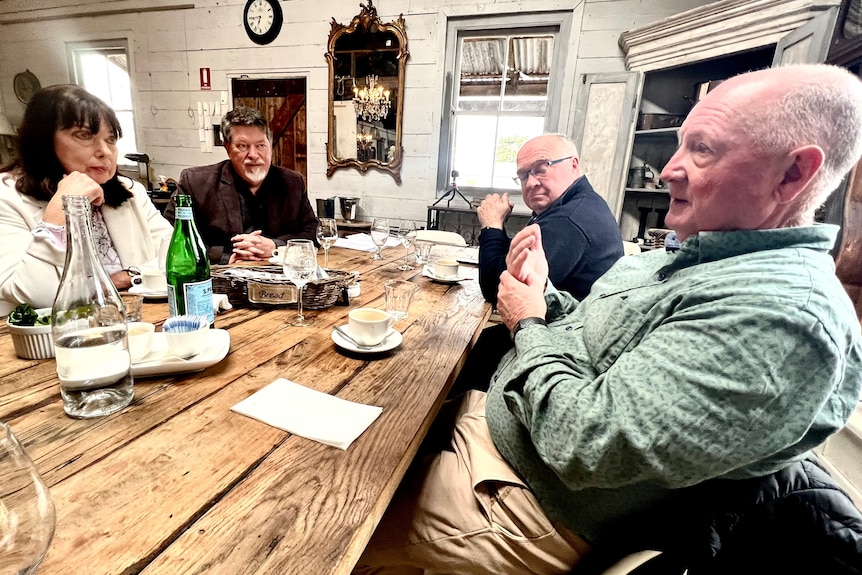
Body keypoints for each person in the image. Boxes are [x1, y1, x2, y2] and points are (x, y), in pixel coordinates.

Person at [353, 63, 862, 574]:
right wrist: (546, 297)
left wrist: (528, 324)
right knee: (369, 415)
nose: (667, 169)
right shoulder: (707, 256)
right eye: (681, 144)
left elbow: (580, 443)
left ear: (794, 173)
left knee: (329, 511)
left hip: (522, 504)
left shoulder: (779, 317)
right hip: (500, 429)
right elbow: (598, 336)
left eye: (703, 148)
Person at [0, 84, 173, 316]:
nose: (105, 151)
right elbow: (36, 295)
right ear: (43, 140)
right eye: (84, 135)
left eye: (111, 139)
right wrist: (62, 208)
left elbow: (175, 257)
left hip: (135, 324)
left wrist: (119, 278)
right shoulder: (7, 197)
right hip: (46, 343)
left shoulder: (130, 192)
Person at [477, 133, 622, 304]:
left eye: (541, 169)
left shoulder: (568, 220)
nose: (531, 183)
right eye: (524, 175)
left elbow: (497, 291)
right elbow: (515, 258)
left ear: (573, 164)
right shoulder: (576, 204)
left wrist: (492, 225)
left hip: (564, 328)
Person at [164, 106, 318, 264]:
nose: (253, 155)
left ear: (270, 145)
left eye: (260, 145)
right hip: (219, 280)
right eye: (243, 146)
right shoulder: (194, 183)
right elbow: (170, 237)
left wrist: (275, 246)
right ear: (227, 148)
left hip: (280, 278)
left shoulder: (292, 183)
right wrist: (225, 257)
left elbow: (313, 232)